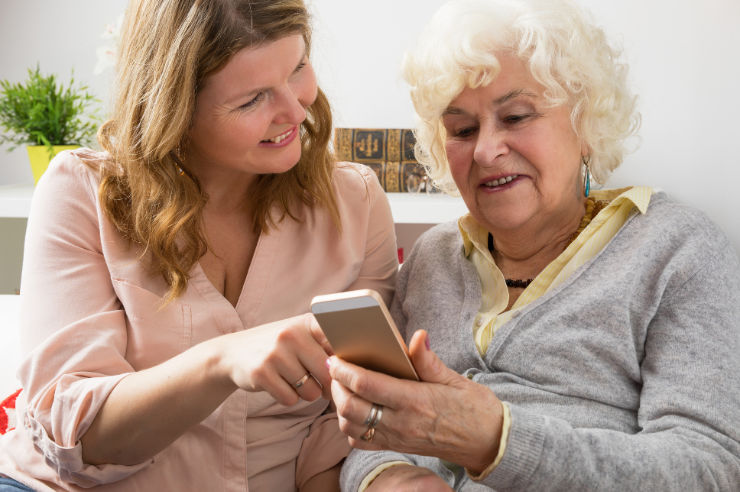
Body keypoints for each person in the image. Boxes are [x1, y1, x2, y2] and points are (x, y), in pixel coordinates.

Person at [329, 0, 740, 490]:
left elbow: (707, 468)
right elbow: (376, 430)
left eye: (517, 116)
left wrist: (497, 440)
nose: (485, 150)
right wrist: (390, 477)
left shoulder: (675, 250)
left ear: (585, 124)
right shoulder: (432, 258)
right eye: (462, 129)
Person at [0, 0, 399, 491]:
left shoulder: (355, 203)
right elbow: (73, 434)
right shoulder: (83, 193)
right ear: (176, 108)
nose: (296, 110)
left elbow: (344, 426)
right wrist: (222, 361)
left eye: (298, 68)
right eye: (253, 99)